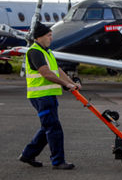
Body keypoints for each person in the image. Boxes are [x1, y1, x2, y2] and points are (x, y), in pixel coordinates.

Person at [18, 22, 80, 169]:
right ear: (39, 37)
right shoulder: (35, 52)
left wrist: (72, 83)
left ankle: (27, 155)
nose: (51, 38)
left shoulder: (47, 52)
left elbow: (57, 70)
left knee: (47, 126)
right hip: (41, 96)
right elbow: (45, 73)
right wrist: (65, 85)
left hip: (49, 95)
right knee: (54, 128)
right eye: (49, 35)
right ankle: (58, 161)